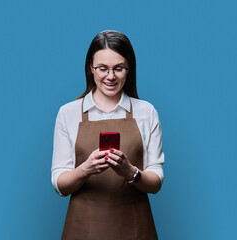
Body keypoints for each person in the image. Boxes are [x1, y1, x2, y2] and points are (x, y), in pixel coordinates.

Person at [51, 30, 165, 240]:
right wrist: (86, 169)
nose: (110, 76)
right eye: (102, 68)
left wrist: (131, 172)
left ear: (128, 69)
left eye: (118, 68)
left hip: (136, 228)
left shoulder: (146, 112)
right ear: (90, 69)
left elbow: (156, 181)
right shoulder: (68, 113)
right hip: (81, 229)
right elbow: (60, 184)